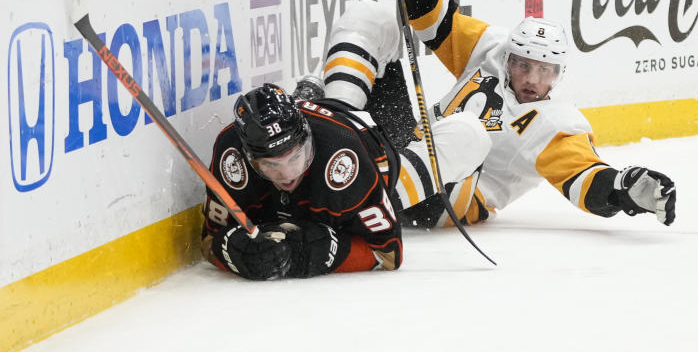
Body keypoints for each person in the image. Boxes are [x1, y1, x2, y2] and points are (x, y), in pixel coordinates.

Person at [323, 0, 677, 230]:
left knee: (469, 132)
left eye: (545, 71)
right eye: (524, 65)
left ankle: (362, 202)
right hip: (405, 154)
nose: (533, 79)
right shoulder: (490, 49)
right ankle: (331, 126)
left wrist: (623, 187)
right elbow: (433, 17)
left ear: (558, 75)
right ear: (509, 59)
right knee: (372, 17)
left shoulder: (554, 125)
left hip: (445, 198)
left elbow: (586, 179)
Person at [200, 79, 489, 280]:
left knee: (471, 132)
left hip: (376, 160)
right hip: (330, 122)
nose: (287, 174)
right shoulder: (232, 156)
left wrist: (316, 254)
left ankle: (313, 95)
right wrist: (236, 255)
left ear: (307, 139)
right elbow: (209, 240)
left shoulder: (345, 161)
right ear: (250, 158)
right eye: (271, 165)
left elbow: (389, 253)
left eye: (295, 157)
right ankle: (309, 95)